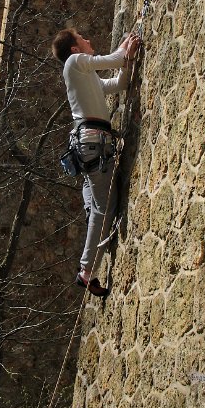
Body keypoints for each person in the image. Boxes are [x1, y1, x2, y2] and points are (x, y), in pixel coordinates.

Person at [52, 28, 140, 297]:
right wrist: (125, 48)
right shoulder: (74, 62)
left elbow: (118, 84)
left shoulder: (84, 75)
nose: (89, 41)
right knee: (105, 209)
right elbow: (111, 59)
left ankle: (87, 261)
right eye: (83, 39)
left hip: (87, 145)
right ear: (75, 49)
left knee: (96, 208)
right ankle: (87, 270)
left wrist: (128, 61)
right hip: (92, 143)